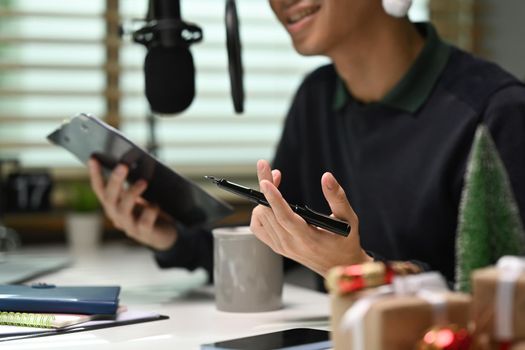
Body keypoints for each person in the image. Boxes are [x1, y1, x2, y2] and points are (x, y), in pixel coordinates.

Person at [88, 0, 525, 288]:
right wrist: (169, 237)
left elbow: (504, 304)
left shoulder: (495, 113)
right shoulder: (316, 98)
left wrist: (360, 271)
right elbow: (279, 250)